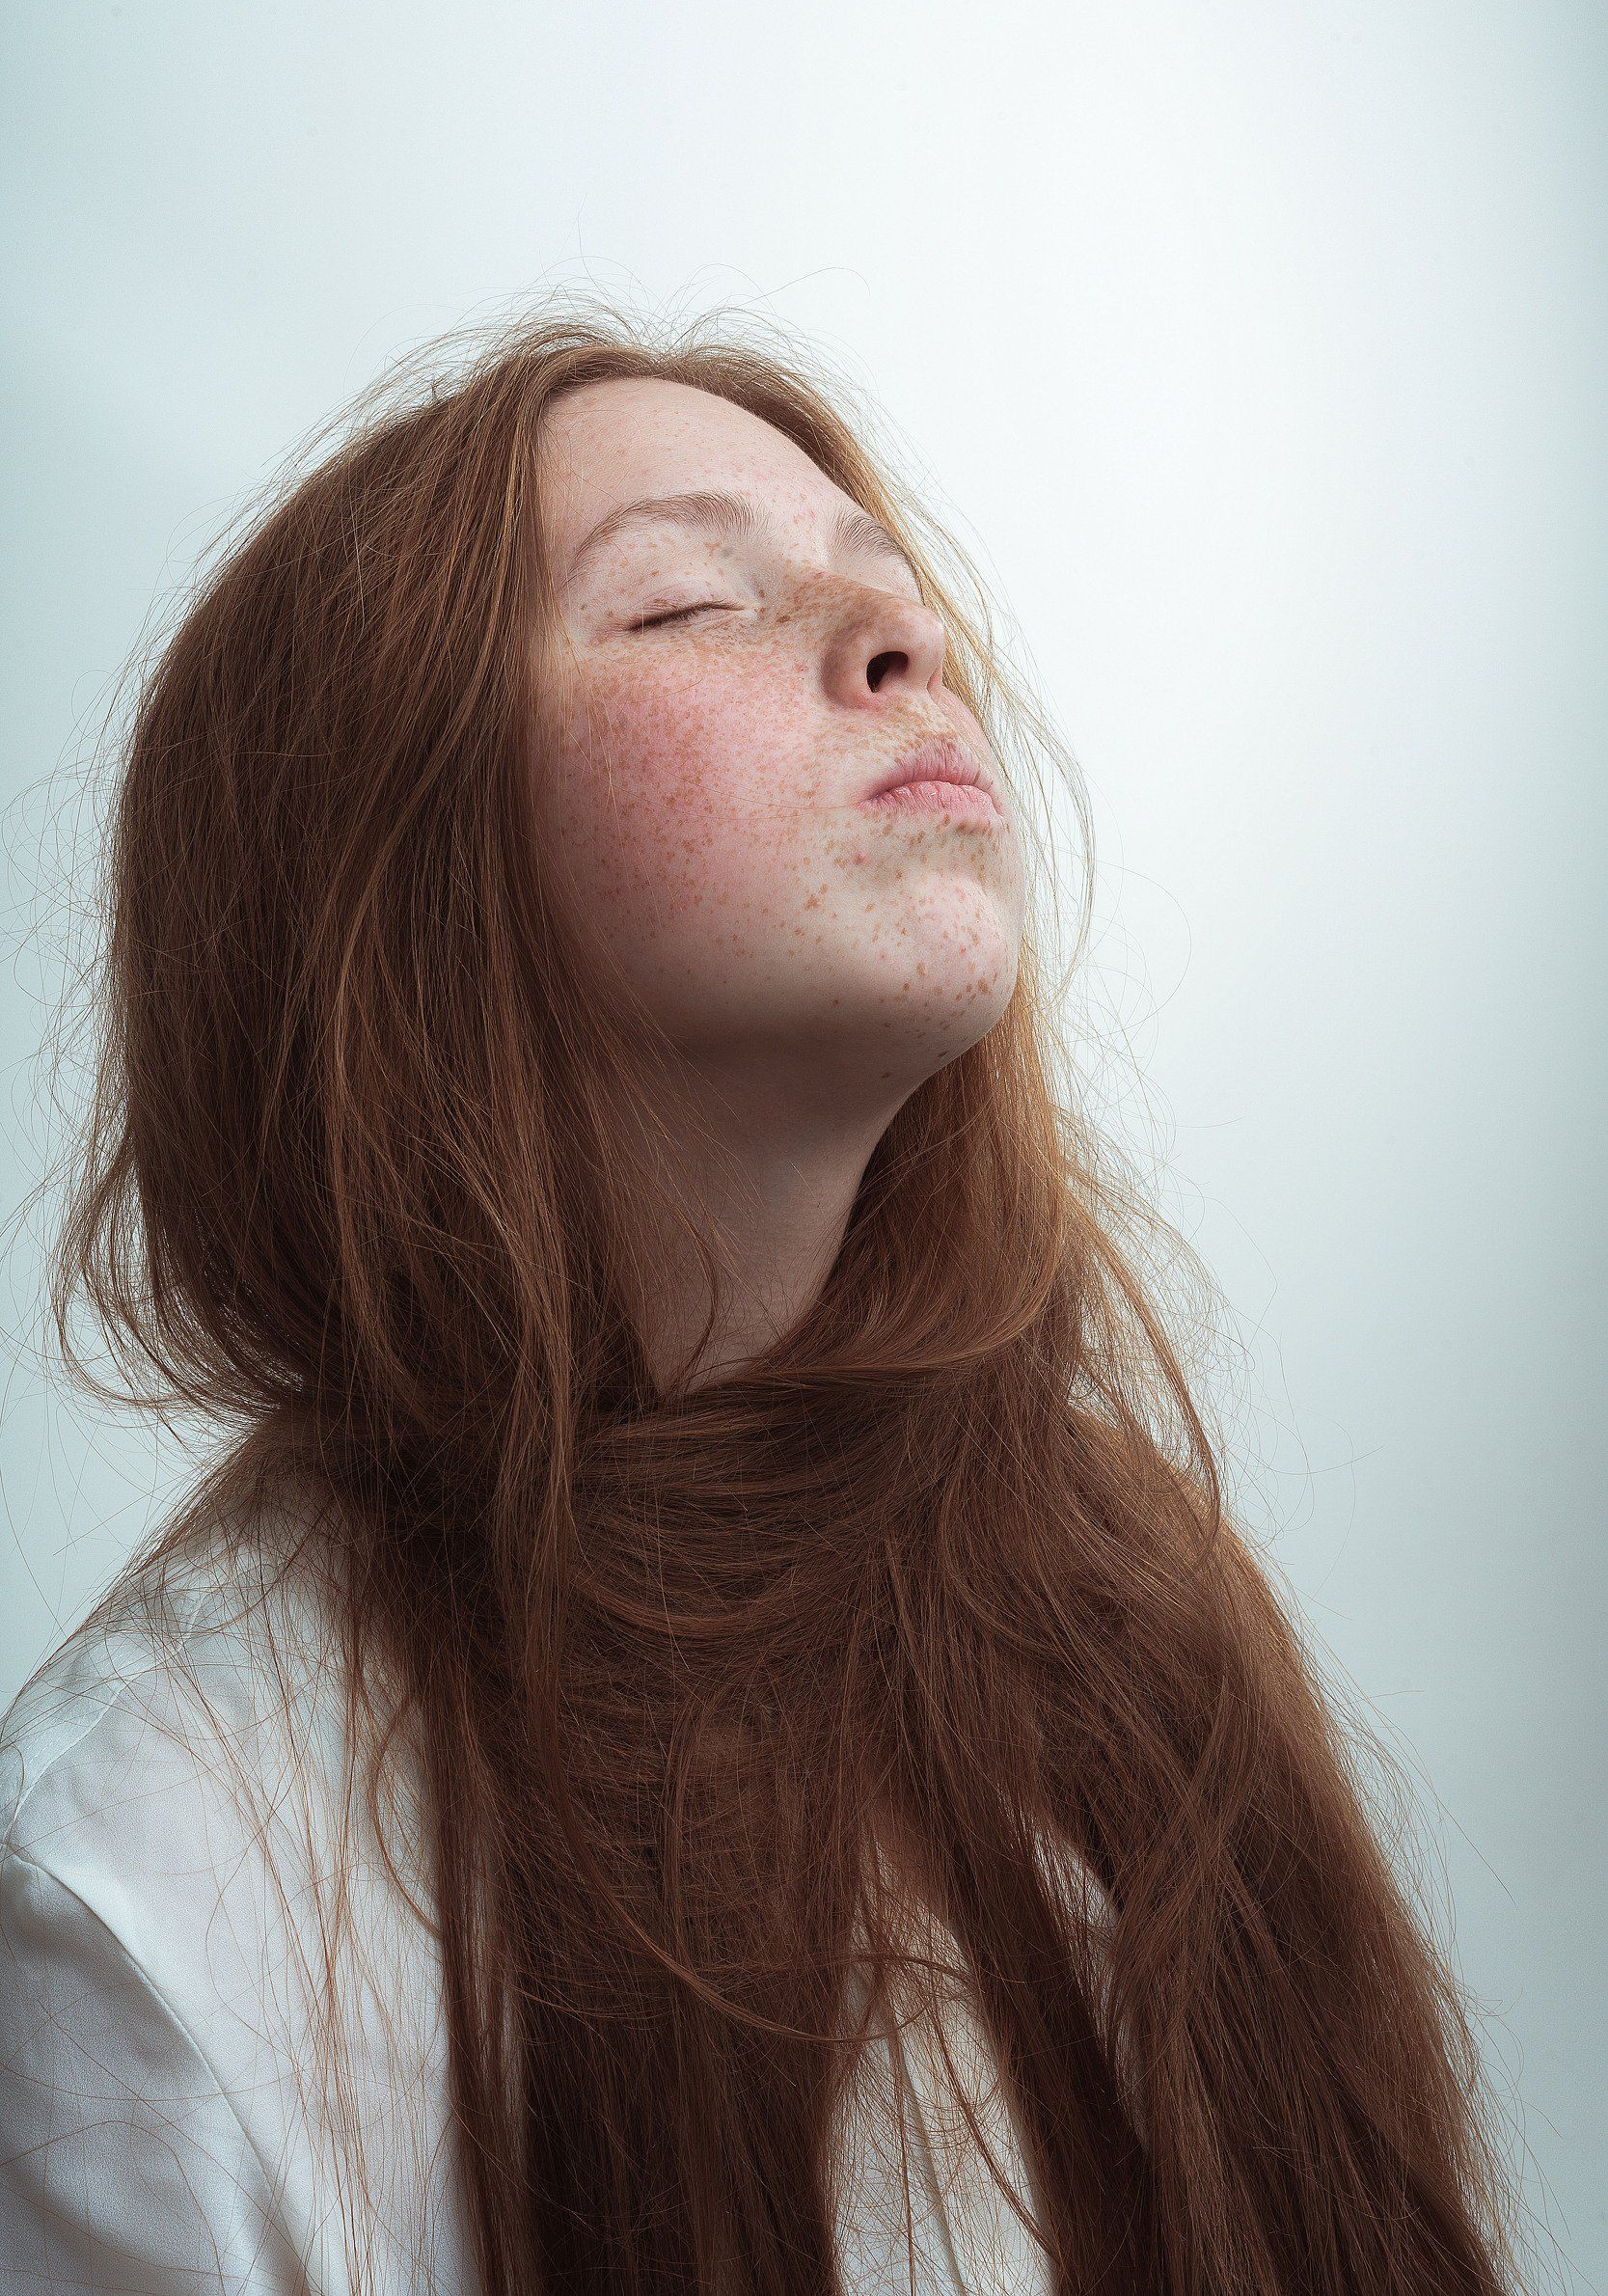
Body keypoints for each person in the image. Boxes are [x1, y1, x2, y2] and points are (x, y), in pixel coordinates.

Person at [0, 302, 1528, 2293]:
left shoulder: (1130, 1599)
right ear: (393, 867)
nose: (902, 639)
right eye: (686, 603)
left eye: (889, 584)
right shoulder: (138, 1895)